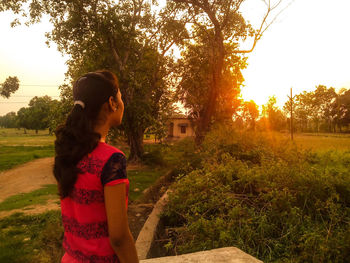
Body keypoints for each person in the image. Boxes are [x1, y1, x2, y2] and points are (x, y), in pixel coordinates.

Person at [53, 70, 139, 263]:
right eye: (121, 97)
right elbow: (119, 237)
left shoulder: (69, 152)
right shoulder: (112, 160)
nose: (122, 103)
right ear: (112, 103)